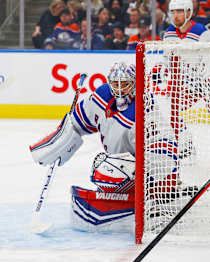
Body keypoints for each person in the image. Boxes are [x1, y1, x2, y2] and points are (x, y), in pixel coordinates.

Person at [29, 62, 178, 230]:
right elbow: (78, 121)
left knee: (110, 169)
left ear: (135, 83)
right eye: (116, 84)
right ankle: (121, 196)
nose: (120, 89)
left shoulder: (144, 109)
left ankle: (154, 203)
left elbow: (166, 152)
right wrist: (62, 141)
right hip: (123, 165)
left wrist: (142, 173)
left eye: (126, 84)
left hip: (153, 169)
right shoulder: (102, 96)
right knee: (106, 170)